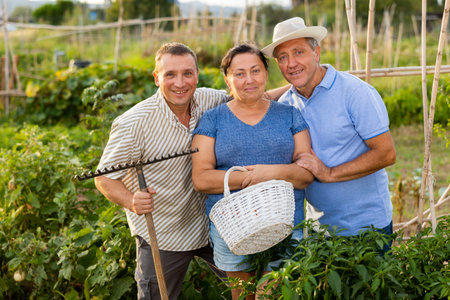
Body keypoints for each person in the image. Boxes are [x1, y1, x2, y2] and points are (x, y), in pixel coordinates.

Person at [94, 42, 289, 300]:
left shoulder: (209, 100)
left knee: (248, 292)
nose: (180, 83)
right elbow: (104, 178)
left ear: (197, 75)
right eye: (170, 75)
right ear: (156, 78)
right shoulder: (133, 124)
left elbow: (250, 94)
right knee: (157, 296)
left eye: (187, 73)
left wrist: (301, 84)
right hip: (164, 233)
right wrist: (131, 200)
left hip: (211, 224)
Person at [191, 43, 314, 300]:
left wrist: (268, 173)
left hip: (286, 224)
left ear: (266, 74)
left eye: (256, 71)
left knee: (269, 294)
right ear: (227, 79)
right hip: (233, 226)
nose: (249, 80)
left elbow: (305, 175)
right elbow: (201, 178)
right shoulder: (213, 119)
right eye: (240, 73)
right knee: (243, 296)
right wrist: (251, 178)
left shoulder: (289, 116)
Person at [261, 17, 396, 241]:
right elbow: (254, 100)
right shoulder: (286, 105)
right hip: (318, 230)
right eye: (283, 57)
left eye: (299, 52)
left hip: (367, 228)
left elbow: (386, 153)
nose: (291, 63)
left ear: (317, 53)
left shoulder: (354, 92)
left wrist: (329, 173)